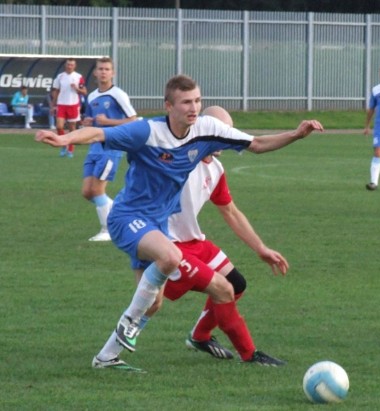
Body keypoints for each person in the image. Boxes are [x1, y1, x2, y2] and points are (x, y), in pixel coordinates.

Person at [35, 74, 324, 365]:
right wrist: (64, 138)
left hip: (156, 226)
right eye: (186, 102)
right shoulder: (147, 131)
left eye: (197, 100)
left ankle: (107, 357)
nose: (193, 107)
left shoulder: (207, 130)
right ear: (168, 105)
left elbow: (257, 143)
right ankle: (129, 322)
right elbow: (98, 134)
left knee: (153, 303)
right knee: (172, 257)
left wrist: (295, 134)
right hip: (127, 218)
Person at [92, 106, 289, 372]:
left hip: (195, 241)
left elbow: (230, 211)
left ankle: (199, 336)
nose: (227, 136)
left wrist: (261, 248)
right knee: (218, 291)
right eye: (223, 130)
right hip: (167, 243)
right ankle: (250, 354)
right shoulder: (180, 162)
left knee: (235, 284)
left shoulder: (216, 168)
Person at [81, 57, 138, 242]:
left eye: (107, 69)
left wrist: (109, 122)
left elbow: (133, 120)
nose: (103, 72)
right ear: (95, 72)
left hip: (111, 148)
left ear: (113, 73)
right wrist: (87, 122)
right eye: (100, 69)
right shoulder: (92, 96)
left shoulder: (118, 94)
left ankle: (108, 230)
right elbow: (91, 120)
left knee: (98, 190)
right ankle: (119, 213)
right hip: (94, 148)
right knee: (87, 192)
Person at [51, 58, 87, 158]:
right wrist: (53, 105)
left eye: (71, 65)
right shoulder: (60, 76)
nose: (69, 66)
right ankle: (63, 145)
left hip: (73, 105)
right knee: (59, 126)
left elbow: (84, 91)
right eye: (68, 64)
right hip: (61, 104)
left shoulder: (78, 77)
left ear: (74, 66)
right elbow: (56, 91)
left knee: (72, 129)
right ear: (65, 65)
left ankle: (70, 149)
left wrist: (77, 88)